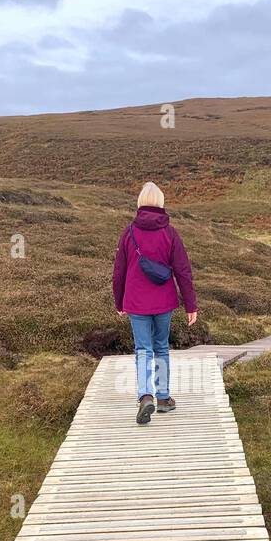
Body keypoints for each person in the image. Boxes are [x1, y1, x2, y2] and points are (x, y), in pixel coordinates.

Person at [112, 181, 198, 424]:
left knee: (143, 349)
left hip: (136, 302)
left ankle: (145, 396)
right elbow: (183, 271)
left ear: (140, 202)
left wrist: (119, 301)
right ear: (161, 203)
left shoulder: (129, 232)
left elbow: (118, 272)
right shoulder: (170, 232)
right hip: (164, 301)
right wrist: (191, 305)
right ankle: (163, 398)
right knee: (160, 347)